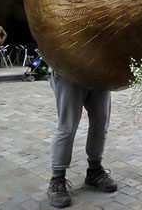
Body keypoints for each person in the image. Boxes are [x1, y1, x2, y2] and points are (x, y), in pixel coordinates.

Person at [47, 72, 117, 208]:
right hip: (68, 71)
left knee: (101, 123)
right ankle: (57, 179)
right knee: (67, 126)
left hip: (100, 71)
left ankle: (94, 171)